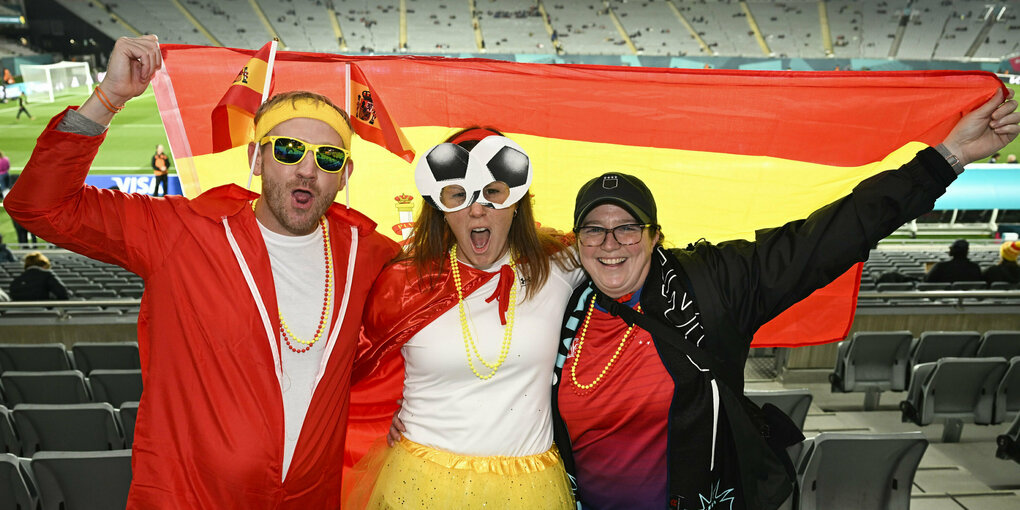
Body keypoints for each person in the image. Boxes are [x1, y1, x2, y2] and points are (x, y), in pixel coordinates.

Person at [551, 88, 1018, 510]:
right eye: (594, 229)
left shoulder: (716, 282)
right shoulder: (556, 305)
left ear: (655, 236)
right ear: (577, 240)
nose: (610, 243)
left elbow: (830, 237)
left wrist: (949, 157)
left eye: (627, 227)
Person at [4, 35, 399, 508]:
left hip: (311, 497)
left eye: (327, 158)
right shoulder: (180, 231)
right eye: (289, 150)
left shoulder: (369, 252)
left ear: (345, 174)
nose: (307, 169)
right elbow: (40, 207)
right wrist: (108, 98)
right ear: (257, 158)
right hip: (192, 497)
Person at [347, 128, 581, 508]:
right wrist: (379, 419)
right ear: (440, 206)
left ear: (517, 201)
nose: (477, 209)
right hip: (419, 485)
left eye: (493, 192)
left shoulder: (556, 266)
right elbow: (354, 367)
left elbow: (624, 253)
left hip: (529, 491)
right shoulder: (405, 283)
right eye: (459, 195)